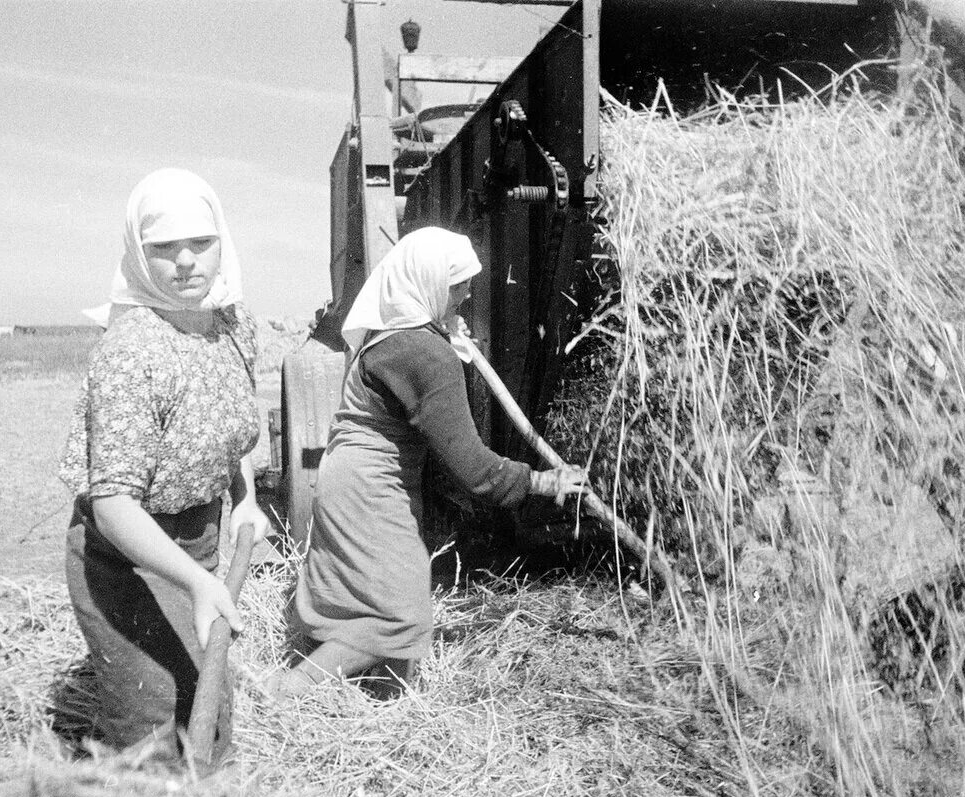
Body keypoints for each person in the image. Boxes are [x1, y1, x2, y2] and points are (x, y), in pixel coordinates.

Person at [266, 226, 585, 700]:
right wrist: (540, 482)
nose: (468, 293)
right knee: (401, 615)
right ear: (427, 284)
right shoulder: (423, 352)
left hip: (358, 477)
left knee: (392, 593)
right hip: (369, 488)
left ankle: (384, 702)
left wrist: (444, 332)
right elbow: (474, 469)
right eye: (456, 285)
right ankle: (286, 691)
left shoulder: (396, 333)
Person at [58, 168, 270, 760]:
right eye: (163, 247)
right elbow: (114, 504)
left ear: (221, 240)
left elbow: (233, 424)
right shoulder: (131, 351)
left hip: (196, 549)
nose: (184, 260)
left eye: (199, 242)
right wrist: (199, 583)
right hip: (125, 562)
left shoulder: (232, 325)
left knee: (212, 720)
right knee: (156, 730)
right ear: (137, 251)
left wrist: (244, 497)